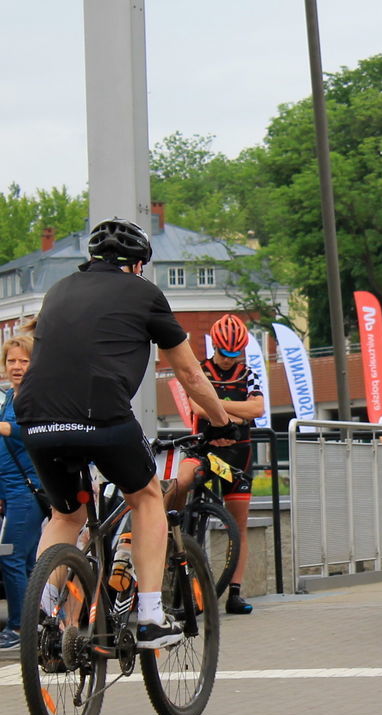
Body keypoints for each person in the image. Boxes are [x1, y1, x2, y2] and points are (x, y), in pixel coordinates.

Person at [16, 217, 235, 649]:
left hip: (36, 418)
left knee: (65, 516)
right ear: (138, 265)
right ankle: (151, 617)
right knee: (147, 497)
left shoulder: (58, 291)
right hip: (101, 416)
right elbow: (191, 374)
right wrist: (222, 421)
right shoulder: (145, 294)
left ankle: (42, 616)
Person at [173, 314, 265, 615]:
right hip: (204, 448)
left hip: (238, 453)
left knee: (238, 525)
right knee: (181, 481)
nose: (229, 359)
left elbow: (258, 409)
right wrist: (237, 414)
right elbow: (196, 407)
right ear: (214, 347)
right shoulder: (199, 371)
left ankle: (235, 592)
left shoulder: (248, 373)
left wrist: (217, 406)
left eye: (235, 354)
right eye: (224, 353)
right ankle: (171, 530)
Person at [0, 335, 45, 648]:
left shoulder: (36, 397)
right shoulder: (8, 396)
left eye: (23, 361)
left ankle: (19, 628)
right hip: (12, 492)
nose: (16, 366)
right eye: (11, 361)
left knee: (11, 557)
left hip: (27, 491)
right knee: (26, 561)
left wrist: (4, 427)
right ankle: (40, 623)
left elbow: (33, 431)